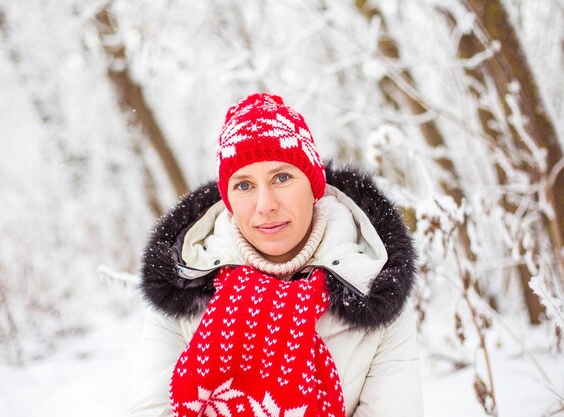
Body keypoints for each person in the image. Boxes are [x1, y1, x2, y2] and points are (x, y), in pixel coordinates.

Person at [129, 93, 423, 417]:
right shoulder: (184, 285)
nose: (265, 204)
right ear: (227, 199)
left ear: (314, 186)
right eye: (244, 186)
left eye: (281, 178)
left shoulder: (371, 283)